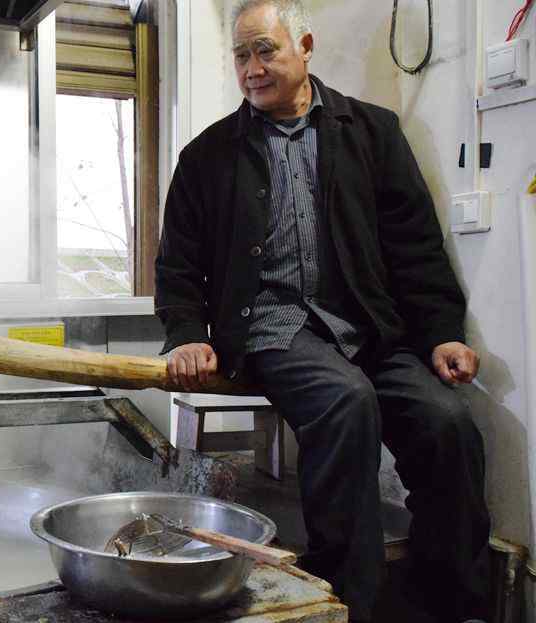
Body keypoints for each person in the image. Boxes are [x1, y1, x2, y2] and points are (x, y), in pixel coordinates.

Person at [154, 1, 491, 621]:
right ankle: (344, 600)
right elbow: (177, 266)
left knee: (447, 423)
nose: (252, 67)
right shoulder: (206, 156)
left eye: (266, 50)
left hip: (370, 327)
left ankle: (453, 602)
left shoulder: (373, 132)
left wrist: (442, 333)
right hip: (272, 327)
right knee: (346, 400)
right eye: (241, 54)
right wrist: (185, 334)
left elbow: (415, 247)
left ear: (304, 45)